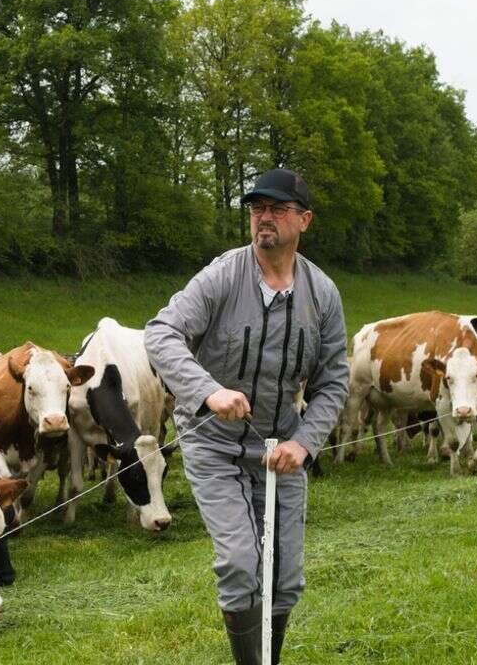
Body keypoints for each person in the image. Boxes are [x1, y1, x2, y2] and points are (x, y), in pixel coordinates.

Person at [143, 168, 349, 664]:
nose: (264, 217)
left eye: (277, 209)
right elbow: (161, 333)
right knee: (239, 563)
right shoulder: (222, 276)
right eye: (257, 208)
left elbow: (333, 380)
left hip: (281, 451)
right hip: (213, 444)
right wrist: (209, 391)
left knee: (284, 574)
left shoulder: (322, 295)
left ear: (304, 220)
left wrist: (305, 443)